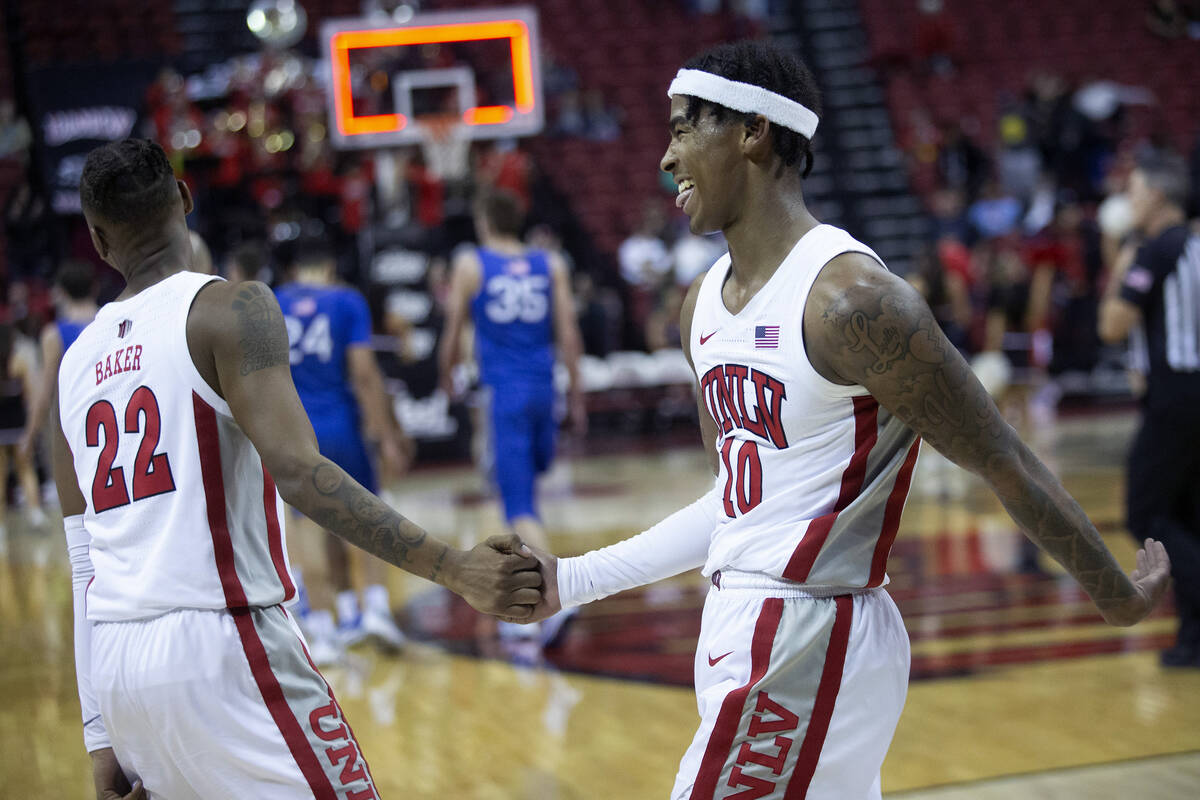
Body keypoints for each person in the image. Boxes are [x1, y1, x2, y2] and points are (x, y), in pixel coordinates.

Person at [523, 41, 1171, 800]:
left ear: (751, 132)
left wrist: (1114, 593)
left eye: (681, 129)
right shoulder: (700, 306)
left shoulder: (853, 300)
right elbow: (738, 509)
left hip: (806, 635)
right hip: (744, 631)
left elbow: (1002, 457)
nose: (666, 159)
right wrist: (573, 580)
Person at [55, 138, 542, 799]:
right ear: (185, 199)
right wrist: (452, 567)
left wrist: (97, 734)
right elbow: (300, 475)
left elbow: (82, 558)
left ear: (96, 239)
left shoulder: (73, 364)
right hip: (222, 646)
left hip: (119, 674)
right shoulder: (231, 308)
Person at [438, 189, 585, 642]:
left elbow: (453, 331)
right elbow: (568, 332)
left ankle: (550, 598)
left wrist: (447, 378)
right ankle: (532, 589)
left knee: (519, 503)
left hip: (506, 395)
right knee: (530, 484)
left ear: (485, 222)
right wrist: (577, 394)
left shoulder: (471, 263)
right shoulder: (551, 263)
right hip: (545, 389)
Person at [275, 240, 412, 663]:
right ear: (330, 267)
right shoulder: (348, 300)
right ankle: (374, 609)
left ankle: (325, 628)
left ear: (296, 270)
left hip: (298, 432)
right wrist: (385, 433)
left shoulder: (274, 303)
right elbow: (364, 373)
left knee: (309, 529)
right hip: (342, 427)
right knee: (367, 515)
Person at [1098, 152, 1200, 667]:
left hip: (1175, 397)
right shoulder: (1195, 245)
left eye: (1134, 190)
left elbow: (1112, 326)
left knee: (1144, 512)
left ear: (1158, 195)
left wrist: (1119, 263)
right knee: (1187, 513)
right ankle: (1193, 639)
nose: (1127, 201)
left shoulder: (1155, 250)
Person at [20, 260, 99, 461]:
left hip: (77, 424)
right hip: (115, 415)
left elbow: (44, 391)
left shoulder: (53, 335)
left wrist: (29, 436)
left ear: (61, 292)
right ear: (93, 288)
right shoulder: (112, 318)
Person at [0, 321, 43, 536]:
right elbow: (29, 396)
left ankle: (1, 527)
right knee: (26, 471)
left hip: (4, 429)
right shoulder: (19, 362)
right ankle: (35, 514)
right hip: (18, 428)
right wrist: (30, 430)